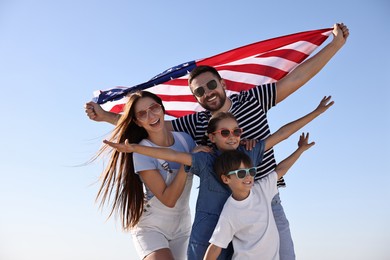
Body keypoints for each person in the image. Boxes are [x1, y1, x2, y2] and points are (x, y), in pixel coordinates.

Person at [86, 23, 348, 259]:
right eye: (199, 92)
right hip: (225, 208)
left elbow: (296, 79)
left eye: (211, 85)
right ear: (196, 98)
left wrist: (334, 45)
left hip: (267, 200)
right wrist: (108, 117)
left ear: (222, 83)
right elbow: (153, 123)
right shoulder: (197, 123)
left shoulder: (253, 99)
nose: (207, 93)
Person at [104, 96, 334, 259]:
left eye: (237, 131)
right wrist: (135, 148)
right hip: (204, 234)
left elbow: (281, 135)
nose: (232, 136)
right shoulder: (205, 161)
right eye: (225, 132)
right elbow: (171, 155)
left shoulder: (248, 154)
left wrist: (315, 113)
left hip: (233, 233)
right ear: (212, 137)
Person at [95, 90, 197, 260]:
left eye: (154, 108)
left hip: (183, 228)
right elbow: (168, 199)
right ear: (137, 122)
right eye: (142, 114)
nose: (151, 116)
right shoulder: (141, 152)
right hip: (152, 228)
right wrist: (187, 162)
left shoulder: (186, 140)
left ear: (162, 108)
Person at [204, 134, 313, 260]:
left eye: (251, 171)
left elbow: (281, 170)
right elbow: (216, 246)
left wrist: (300, 149)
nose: (248, 177)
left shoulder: (261, 189)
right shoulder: (230, 211)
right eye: (241, 173)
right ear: (226, 179)